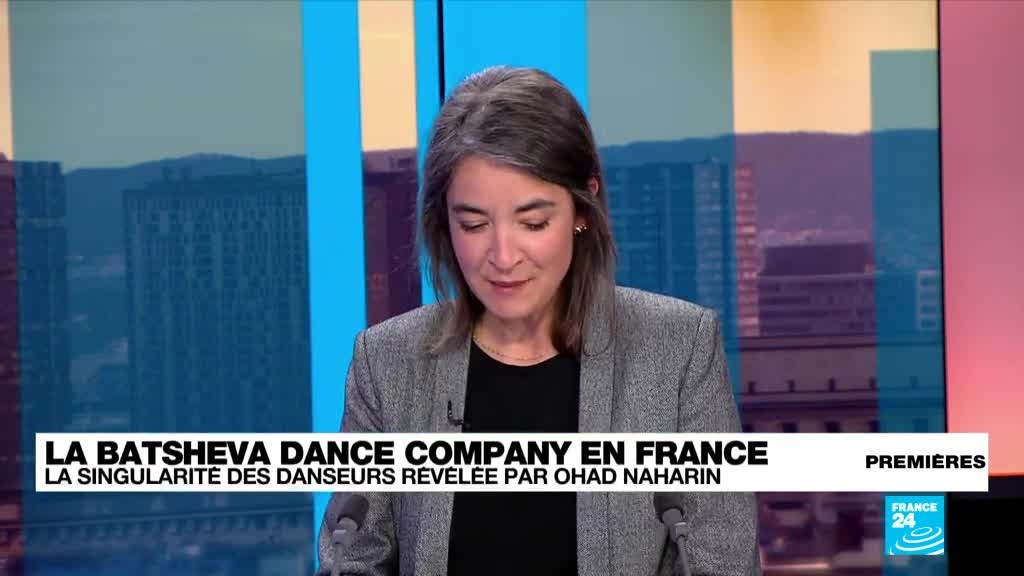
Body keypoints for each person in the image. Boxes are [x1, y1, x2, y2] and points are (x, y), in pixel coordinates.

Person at [317, 65, 760, 576]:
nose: (503, 256)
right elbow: (354, 558)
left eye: (533, 222)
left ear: (582, 208)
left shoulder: (678, 350)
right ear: (445, 221)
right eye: (473, 224)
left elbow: (722, 563)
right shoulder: (386, 362)